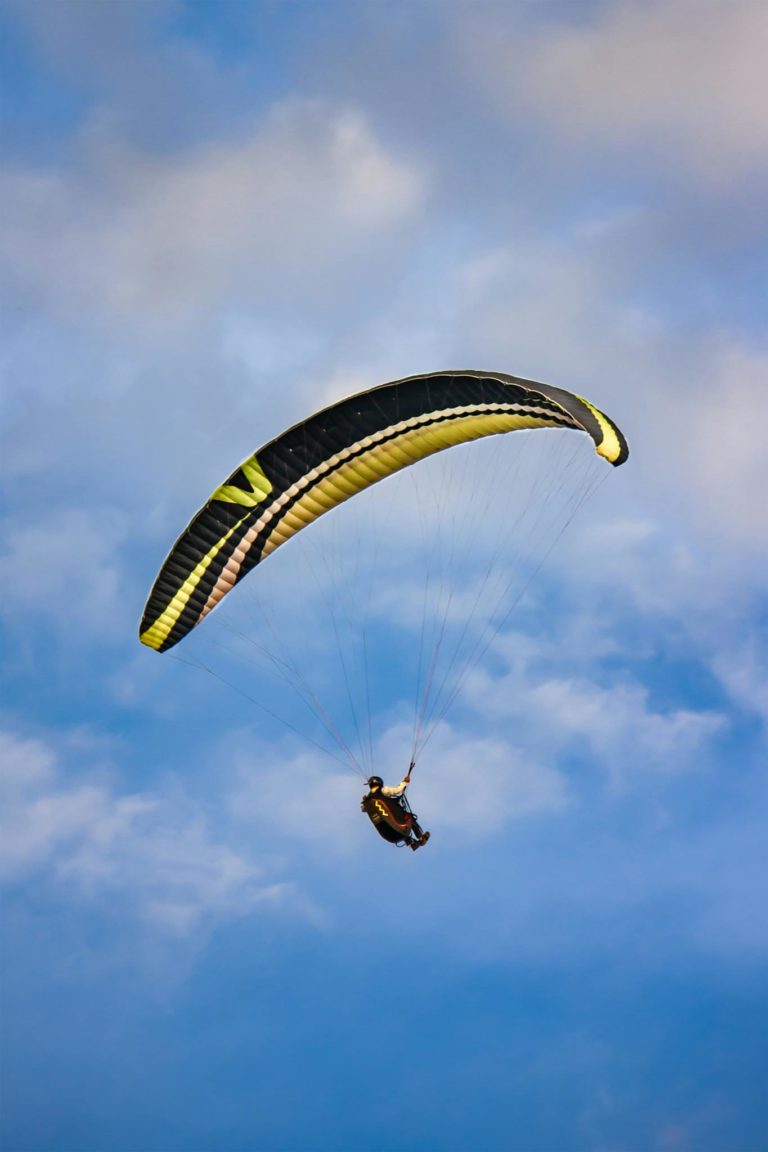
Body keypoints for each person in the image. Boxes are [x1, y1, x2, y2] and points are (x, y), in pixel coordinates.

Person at [361, 768, 430, 851]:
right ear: (379, 783)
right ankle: (420, 838)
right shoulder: (383, 790)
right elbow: (397, 790)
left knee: (401, 822)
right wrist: (405, 782)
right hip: (397, 828)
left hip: (388, 835)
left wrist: (365, 801)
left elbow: (364, 809)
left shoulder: (368, 799)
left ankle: (411, 842)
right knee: (408, 817)